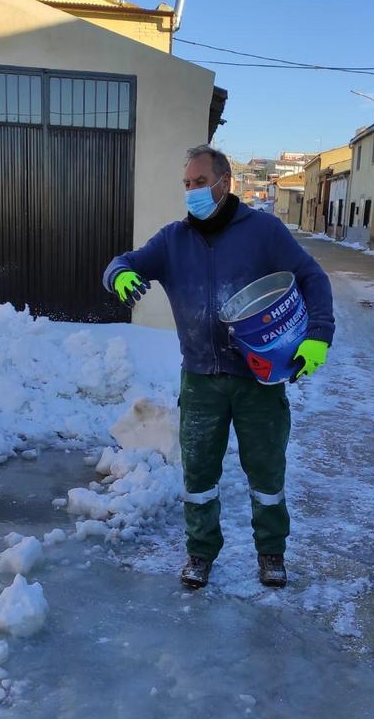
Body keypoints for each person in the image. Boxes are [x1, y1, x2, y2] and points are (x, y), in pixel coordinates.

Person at [102, 146, 334, 590]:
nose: (191, 192)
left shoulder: (263, 231)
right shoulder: (173, 241)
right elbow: (124, 263)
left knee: (266, 472)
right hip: (201, 380)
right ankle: (200, 552)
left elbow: (311, 277)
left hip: (258, 380)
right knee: (200, 476)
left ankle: (271, 553)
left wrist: (317, 336)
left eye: (199, 182)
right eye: (186, 184)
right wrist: (120, 276)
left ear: (225, 182)